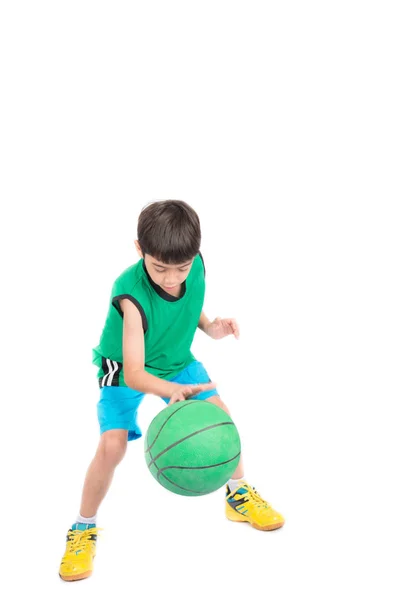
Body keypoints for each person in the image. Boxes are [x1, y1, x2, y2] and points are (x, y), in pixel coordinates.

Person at [59, 200, 284, 582]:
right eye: (159, 267)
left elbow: (187, 301)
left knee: (221, 417)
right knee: (112, 446)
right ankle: (82, 528)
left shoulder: (193, 266)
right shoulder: (129, 293)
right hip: (126, 368)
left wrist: (210, 327)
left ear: (194, 254)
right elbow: (133, 372)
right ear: (139, 250)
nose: (169, 278)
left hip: (175, 359)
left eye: (180, 268)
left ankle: (237, 495)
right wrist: (172, 391)